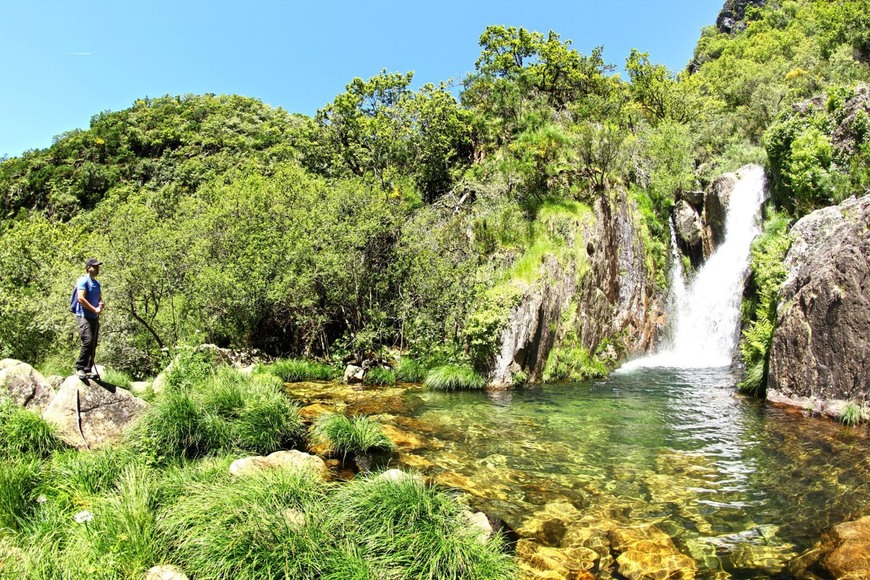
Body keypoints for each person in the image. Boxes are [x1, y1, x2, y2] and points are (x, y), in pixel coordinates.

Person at [73, 258, 104, 379]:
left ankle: (88, 369)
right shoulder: (83, 280)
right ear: (88, 268)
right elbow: (81, 298)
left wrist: (101, 304)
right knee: (88, 341)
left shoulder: (96, 283)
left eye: (98, 267)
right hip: (84, 316)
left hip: (94, 317)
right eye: (95, 266)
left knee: (93, 343)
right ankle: (80, 368)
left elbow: (99, 298)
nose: (97, 269)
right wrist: (94, 309)